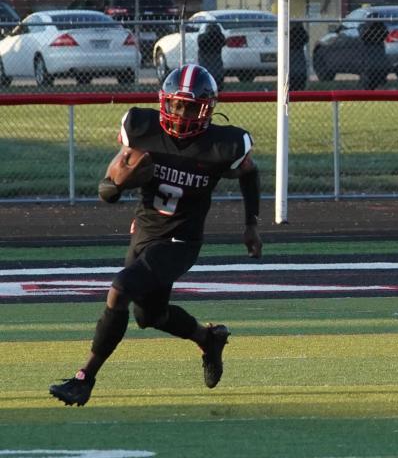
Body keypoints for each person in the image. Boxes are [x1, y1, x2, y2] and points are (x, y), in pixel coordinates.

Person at [49, 64, 262, 406]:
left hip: (182, 240)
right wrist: (121, 181)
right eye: (177, 104)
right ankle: (208, 339)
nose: (182, 113)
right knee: (150, 316)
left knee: (119, 290)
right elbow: (108, 187)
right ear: (164, 102)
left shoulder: (223, 145)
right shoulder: (142, 127)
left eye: (191, 107)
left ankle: (84, 377)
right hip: (145, 233)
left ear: (206, 109)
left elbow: (249, 174)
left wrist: (251, 223)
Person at [197, 23, 226, 90]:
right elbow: (201, 42)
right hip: (208, 67)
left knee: (216, 77)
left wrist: (213, 35)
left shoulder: (219, 38)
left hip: (216, 69)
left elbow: (223, 41)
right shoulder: (203, 39)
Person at [289, 20, 310, 91]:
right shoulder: (300, 32)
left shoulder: (295, 32)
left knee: (297, 71)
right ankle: (297, 86)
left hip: (296, 52)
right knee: (297, 71)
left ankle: (296, 86)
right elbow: (306, 39)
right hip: (296, 52)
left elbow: (306, 39)